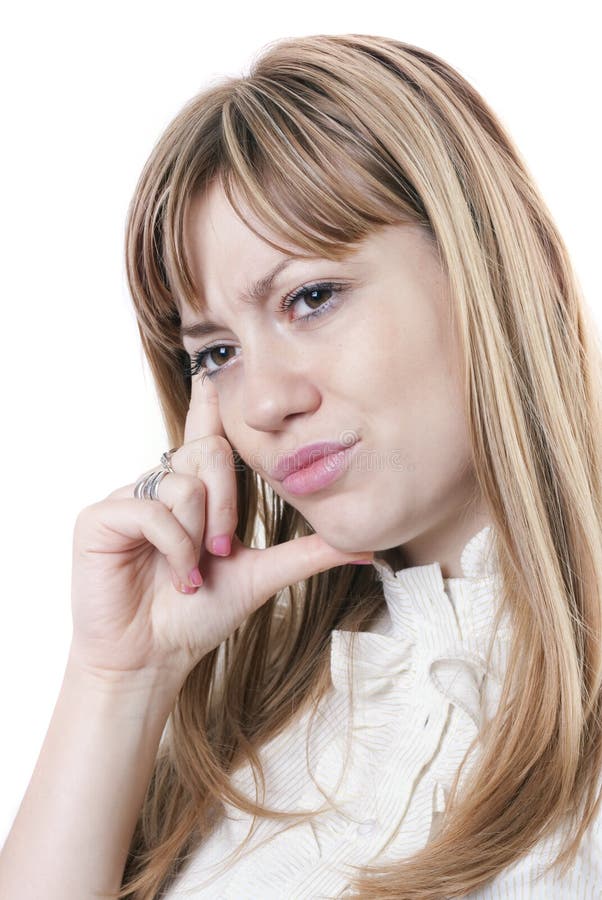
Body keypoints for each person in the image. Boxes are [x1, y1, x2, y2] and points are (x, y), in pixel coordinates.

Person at [1, 32, 601, 900]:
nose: (261, 404)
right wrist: (118, 680)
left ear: (504, 269)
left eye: (310, 298)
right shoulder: (247, 724)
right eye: (214, 353)